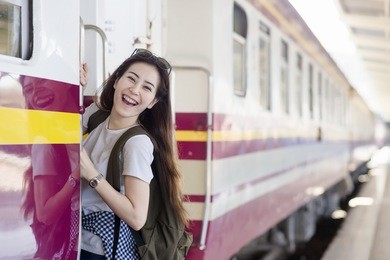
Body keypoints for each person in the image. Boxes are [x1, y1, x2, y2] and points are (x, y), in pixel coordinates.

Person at [80, 49, 189, 259]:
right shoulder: (97, 113)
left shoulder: (137, 143)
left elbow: (136, 216)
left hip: (98, 250)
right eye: (131, 78)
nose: (134, 89)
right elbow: (64, 137)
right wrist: (76, 89)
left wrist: (92, 175)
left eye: (147, 87)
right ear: (116, 80)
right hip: (76, 236)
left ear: (152, 102)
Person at [20, 75, 80, 259]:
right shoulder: (44, 143)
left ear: (66, 82)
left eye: (42, 81)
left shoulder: (88, 124)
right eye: (29, 89)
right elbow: (45, 214)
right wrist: (75, 177)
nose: (36, 91)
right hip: (74, 242)